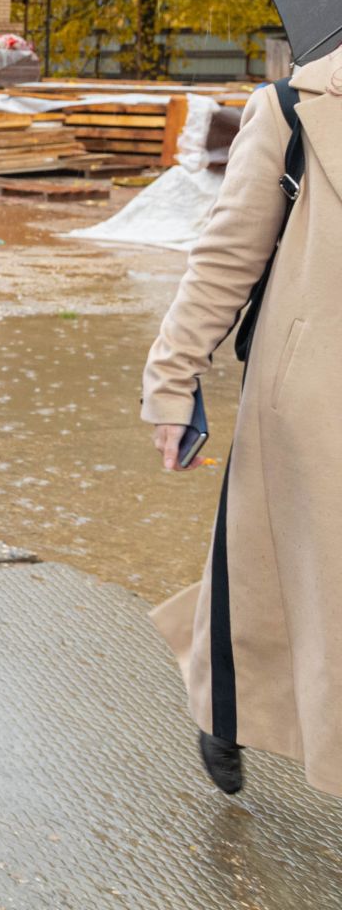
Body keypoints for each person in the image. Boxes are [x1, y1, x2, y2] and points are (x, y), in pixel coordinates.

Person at [142, 42, 342, 800]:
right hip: (317, 408)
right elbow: (225, 260)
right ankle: (226, 694)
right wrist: (171, 381)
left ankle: (228, 673)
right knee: (297, 586)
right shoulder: (293, 109)